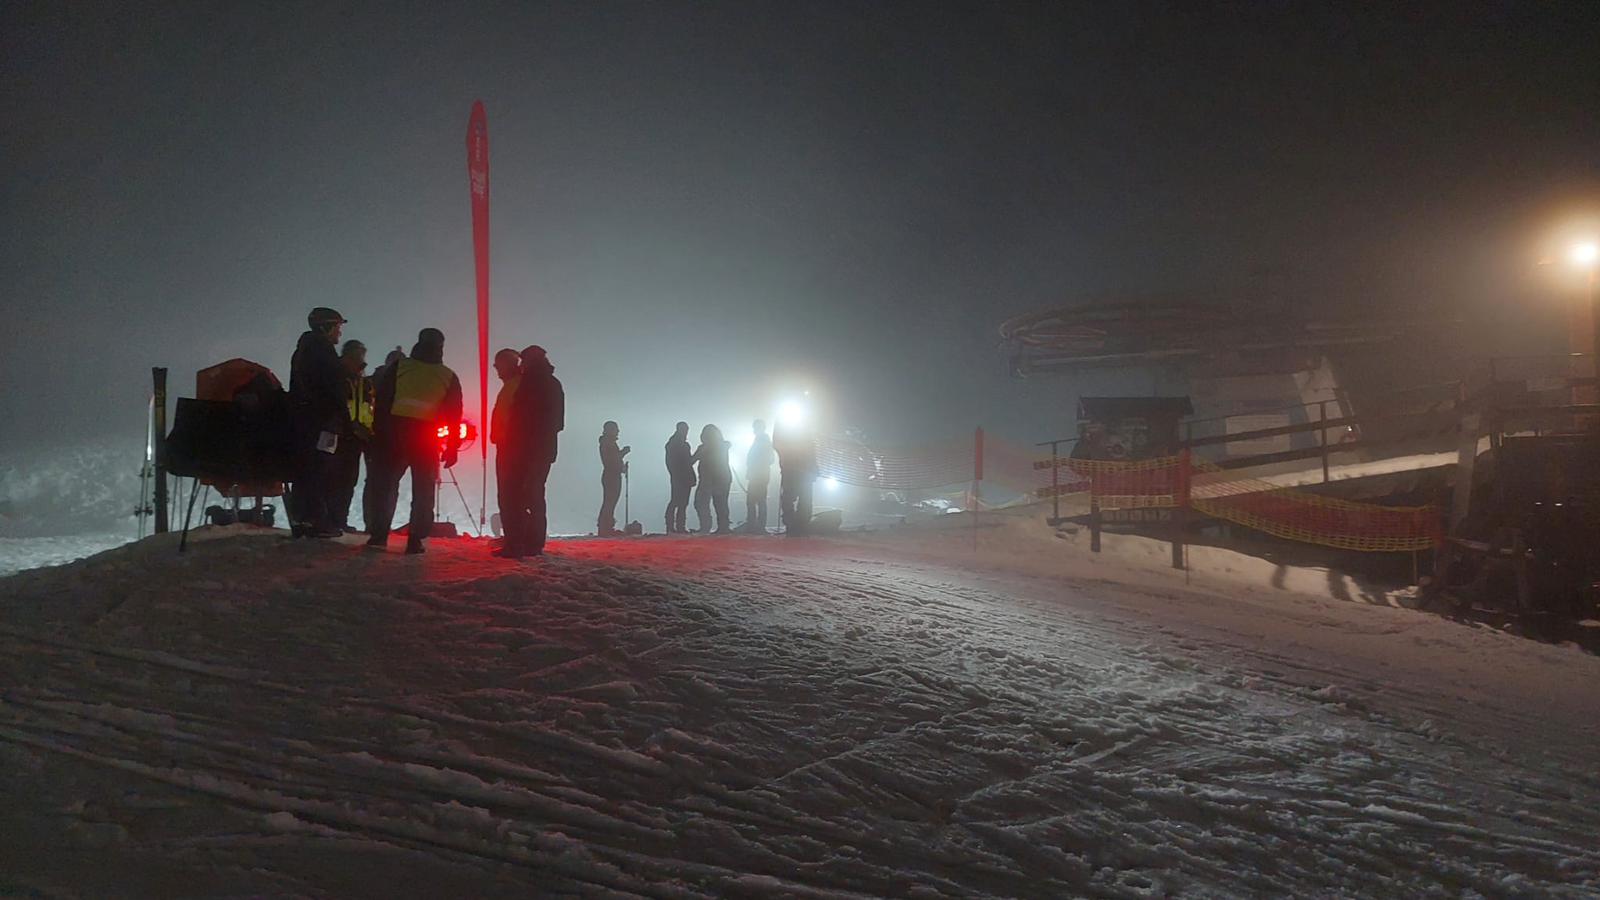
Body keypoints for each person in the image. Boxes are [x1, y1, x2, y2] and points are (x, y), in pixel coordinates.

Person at [368, 328, 462, 555]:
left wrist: (378, 434)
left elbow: (382, 402)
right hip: (426, 438)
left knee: (385, 486)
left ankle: (378, 536)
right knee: (424, 490)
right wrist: (452, 448)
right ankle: (415, 540)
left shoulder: (399, 367)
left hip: (394, 435)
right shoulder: (448, 376)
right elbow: (454, 415)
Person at [498, 345, 563, 558]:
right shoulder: (553, 384)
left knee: (517, 496)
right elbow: (558, 422)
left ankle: (517, 544)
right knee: (535, 495)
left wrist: (515, 441)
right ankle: (534, 544)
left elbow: (518, 417)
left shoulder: (527, 384)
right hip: (545, 450)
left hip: (522, 449)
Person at [288, 307, 348, 537]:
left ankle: (302, 520)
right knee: (320, 470)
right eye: (337, 327)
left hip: (306, 421)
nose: (339, 332)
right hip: (323, 422)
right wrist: (342, 417)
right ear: (326, 327)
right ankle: (317, 522)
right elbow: (334, 391)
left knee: (306, 469)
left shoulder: (304, 351)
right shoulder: (323, 353)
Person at [329, 339, 374, 531]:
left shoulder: (363, 382)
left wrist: (368, 432)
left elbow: (367, 410)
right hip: (339, 434)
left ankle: (339, 520)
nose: (361, 359)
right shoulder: (336, 377)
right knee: (334, 478)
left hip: (357, 438)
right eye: (357, 354)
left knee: (348, 480)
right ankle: (330, 519)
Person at [488, 348, 521, 540]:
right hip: (507, 444)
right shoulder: (512, 385)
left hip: (511, 446)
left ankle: (514, 539)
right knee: (510, 493)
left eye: (498, 365)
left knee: (510, 493)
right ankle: (514, 537)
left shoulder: (516, 386)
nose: (496, 370)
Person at [774, 422, 816, 535]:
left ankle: (800, 525)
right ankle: (793, 525)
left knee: (802, 499)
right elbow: (777, 444)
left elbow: (811, 449)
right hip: (793, 469)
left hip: (801, 470)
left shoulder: (805, 431)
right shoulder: (783, 427)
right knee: (791, 498)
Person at [691, 423, 732, 534]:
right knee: (719, 504)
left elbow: (692, 460)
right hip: (718, 479)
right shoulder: (721, 447)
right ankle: (720, 527)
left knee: (707, 503)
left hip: (713, 479)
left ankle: (711, 527)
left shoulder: (708, 448)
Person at [597, 421, 630, 535]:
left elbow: (613, 460)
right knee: (610, 502)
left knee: (610, 502)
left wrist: (622, 467)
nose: (618, 431)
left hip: (611, 474)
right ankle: (605, 528)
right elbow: (611, 460)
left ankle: (606, 527)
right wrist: (623, 453)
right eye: (616, 429)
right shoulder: (608, 443)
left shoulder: (607, 443)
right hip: (611, 476)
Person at [663, 422, 695, 534]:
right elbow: (687, 462)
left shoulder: (674, 444)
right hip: (680, 477)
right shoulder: (676, 445)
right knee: (677, 501)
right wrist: (697, 456)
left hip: (681, 476)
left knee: (681, 502)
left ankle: (677, 526)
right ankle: (674, 526)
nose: (686, 433)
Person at [743, 418, 774, 533]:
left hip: (759, 475)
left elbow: (770, 459)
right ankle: (757, 525)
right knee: (758, 501)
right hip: (760, 474)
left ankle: (755, 526)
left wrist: (753, 467)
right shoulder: (762, 440)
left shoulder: (763, 441)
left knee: (755, 501)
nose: (754, 430)